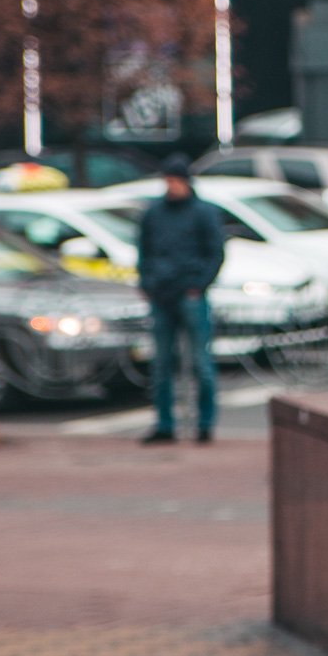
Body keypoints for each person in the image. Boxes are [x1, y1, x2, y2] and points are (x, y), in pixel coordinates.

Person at [136, 154, 225, 445]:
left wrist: (198, 284)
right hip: (162, 294)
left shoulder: (202, 213)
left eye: (175, 181)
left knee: (201, 362)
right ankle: (165, 424)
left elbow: (215, 253)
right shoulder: (154, 213)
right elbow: (144, 250)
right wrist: (147, 282)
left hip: (189, 293)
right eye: (168, 181)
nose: (171, 186)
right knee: (162, 364)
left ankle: (205, 423)